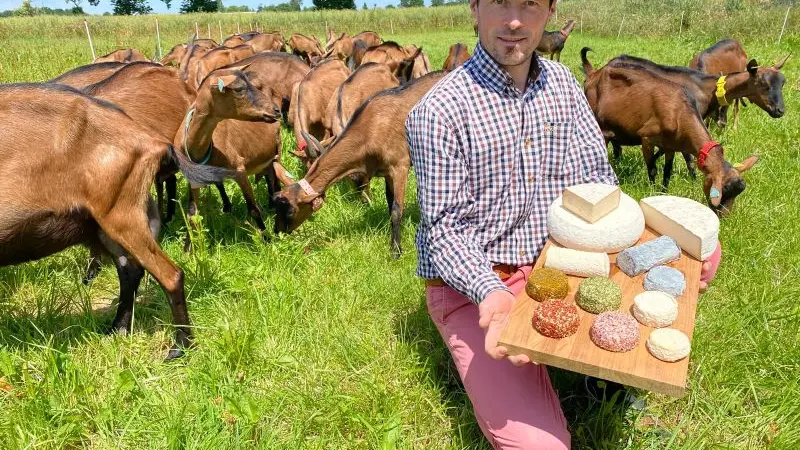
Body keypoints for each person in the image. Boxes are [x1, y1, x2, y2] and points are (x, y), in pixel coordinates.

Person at [405, 0, 722, 448]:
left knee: (700, 251)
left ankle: (603, 382)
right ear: (475, 7)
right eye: (499, 2)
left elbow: (597, 181)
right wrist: (491, 293)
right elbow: (443, 231)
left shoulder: (562, 85)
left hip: (558, 256)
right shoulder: (438, 111)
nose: (514, 20)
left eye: (530, 4)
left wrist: (663, 239)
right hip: (476, 281)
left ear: (550, 11)